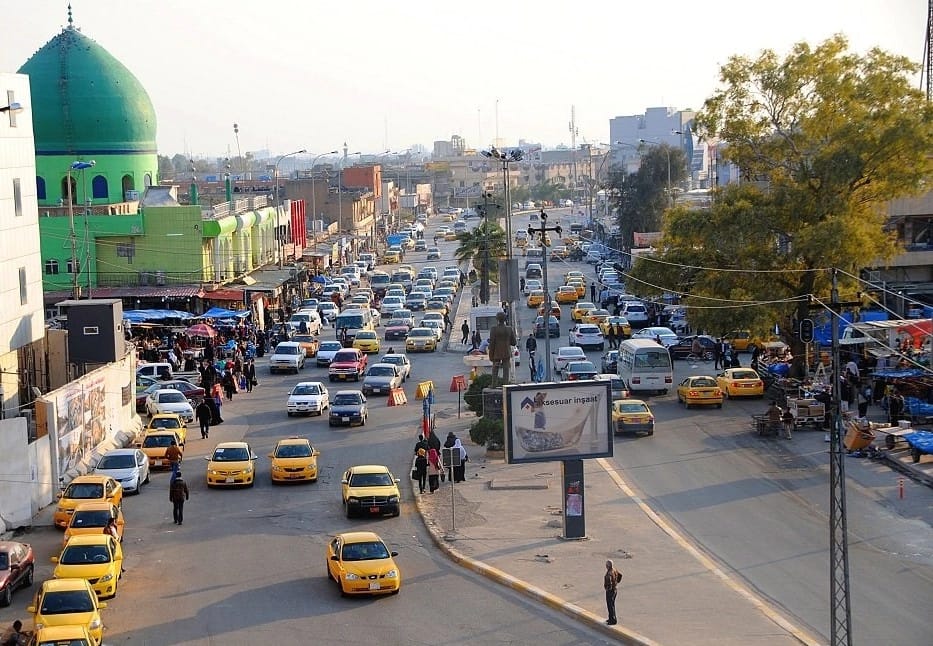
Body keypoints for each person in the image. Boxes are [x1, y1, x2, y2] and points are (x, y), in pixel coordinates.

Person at [488, 312, 517, 384]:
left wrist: (490, 355)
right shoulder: (509, 329)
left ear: (497, 319)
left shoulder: (494, 329)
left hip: (496, 353)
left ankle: (494, 384)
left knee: (495, 369)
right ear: (505, 319)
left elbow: (492, 343)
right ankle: (505, 384)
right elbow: (514, 342)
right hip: (506, 352)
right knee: (506, 369)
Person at [604, 559, 622, 625]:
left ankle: (612, 620)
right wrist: (617, 582)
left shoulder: (608, 574)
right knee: (612, 605)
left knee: (610, 605)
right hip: (615, 590)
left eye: (606, 565)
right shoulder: (614, 570)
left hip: (610, 592)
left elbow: (609, 583)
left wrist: (608, 589)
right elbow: (620, 575)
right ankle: (612, 618)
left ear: (608, 566)